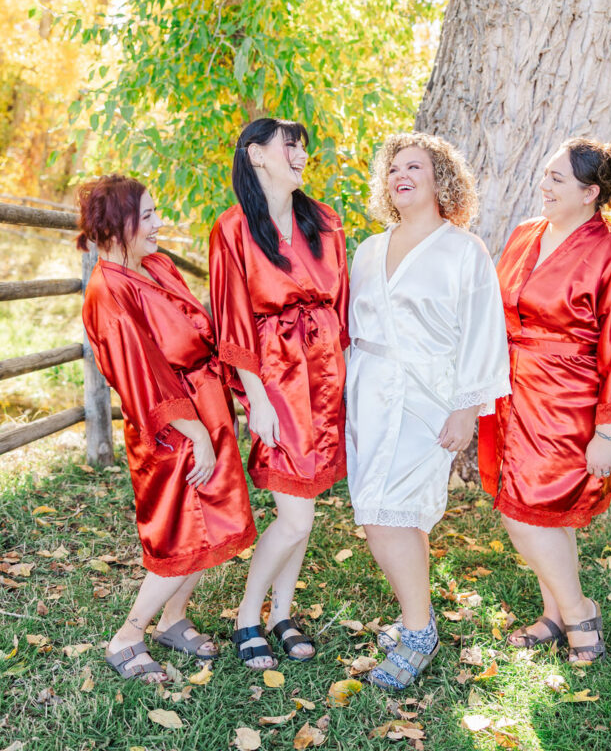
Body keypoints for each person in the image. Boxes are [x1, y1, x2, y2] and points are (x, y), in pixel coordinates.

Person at [478, 138, 611, 663]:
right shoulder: (524, 235)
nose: (544, 185)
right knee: (542, 516)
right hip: (512, 394)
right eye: (545, 174)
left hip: (570, 403)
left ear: (591, 192)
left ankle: (580, 612)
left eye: (557, 179)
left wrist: (607, 433)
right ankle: (554, 615)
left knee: (531, 514)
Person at [346, 132, 511, 690]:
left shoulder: (463, 249)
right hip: (368, 392)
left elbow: (485, 334)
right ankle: (414, 616)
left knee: (392, 514)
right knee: (378, 514)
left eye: (413, 166)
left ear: (441, 178)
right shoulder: (369, 248)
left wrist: (468, 407)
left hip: (428, 397)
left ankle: (419, 631)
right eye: (393, 168)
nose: (400, 175)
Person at [79, 175, 256, 683]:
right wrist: (195, 432)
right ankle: (128, 635)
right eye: (149, 217)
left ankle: (173, 621)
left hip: (205, 408)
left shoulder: (154, 263)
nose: (160, 224)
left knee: (214, 528)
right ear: (117, 225)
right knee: (180, 535)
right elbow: (141, 376)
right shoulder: (107, 292)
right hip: (171, 427)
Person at [210, 118, 349, 669]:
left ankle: (281, 614)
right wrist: (257, 399)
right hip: (276, 376)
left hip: (326, 373)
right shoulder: (233, 228)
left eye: (303, 146)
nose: (299, 154)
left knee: (307, 505)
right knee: (296, 517)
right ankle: (248, 614)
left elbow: (341, 305)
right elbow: (232, 319)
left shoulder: (325, 221)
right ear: (256, 155)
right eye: (288, 144)